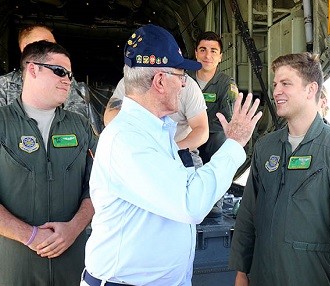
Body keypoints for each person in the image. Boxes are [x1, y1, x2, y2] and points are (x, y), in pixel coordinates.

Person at [82, 24, 261, 286]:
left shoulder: (156, 132)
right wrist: (234, 145)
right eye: (181, 75)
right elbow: (190, 202)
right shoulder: (129, 139)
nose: (184, 82)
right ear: (160, 81)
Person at [229, 52, 330, 285]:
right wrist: (241, 271)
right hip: (263, 276)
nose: (276, 91)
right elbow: (248, 214)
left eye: (286, 84)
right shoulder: (266, 147)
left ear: (310, 89)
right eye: (275, 84)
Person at [0, 40, 96, 285]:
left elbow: (98, 185)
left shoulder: (80, 126)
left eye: (70, 74)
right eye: (60, 71)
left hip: (74, 263)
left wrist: (74, 228)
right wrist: (29, 236)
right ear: (33, 69)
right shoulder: (3, 124)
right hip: (16, 267)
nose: (68, 80)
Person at [103, 75, 209, 167]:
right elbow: (110, 117)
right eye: (177, 71)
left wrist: (170, 150)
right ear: (159, 79)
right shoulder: (132, 81)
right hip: (137, 149)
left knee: (198, 185)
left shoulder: (189, 85)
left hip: (181, 149)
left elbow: (202, 130)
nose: (183, 83)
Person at [191, 31, 239, 216]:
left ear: (220, 57)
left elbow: (227, 118)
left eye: (213, 51)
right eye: (203, 50)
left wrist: (202, 129)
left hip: (212, 136)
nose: (207, 55)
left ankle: (214, 202)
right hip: (188, 134)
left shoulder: (226, 84)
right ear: (196, 53)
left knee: (221, 142)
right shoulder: (185, 78)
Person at [0, 24, 89, 119]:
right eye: (44, 44)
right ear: (25, 48)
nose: (53, 50)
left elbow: (78, 119)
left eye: (54, 45)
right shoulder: (4, 85)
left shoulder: (65, 81)